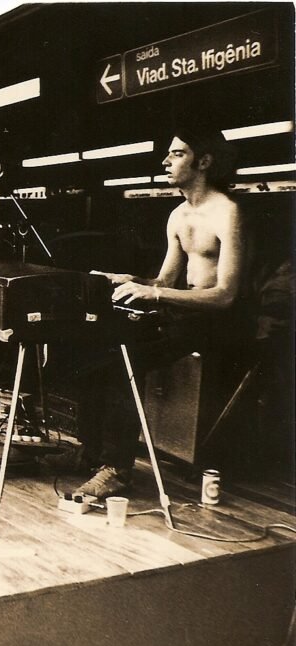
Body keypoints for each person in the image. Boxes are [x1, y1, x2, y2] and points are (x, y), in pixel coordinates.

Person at [74, 125, 244, 498]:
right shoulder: (178, 215)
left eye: (177, 154)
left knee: (125, 360)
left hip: (217, 321)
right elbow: (165, 281)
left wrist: (152, 295)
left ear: (205, 161)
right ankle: (91, 453)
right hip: (182, 312)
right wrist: (123, 278)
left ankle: (116, 470)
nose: (165, 161)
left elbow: (225, 296)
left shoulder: (227, 213)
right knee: (93, 349)